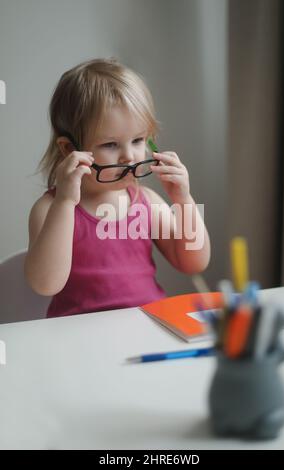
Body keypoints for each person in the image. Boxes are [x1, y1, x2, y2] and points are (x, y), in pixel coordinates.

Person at [24, 58, 210, 318]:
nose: (129, 157)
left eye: (137, 140)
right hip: (78, 336)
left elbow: (193, 263)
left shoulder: (147, 201)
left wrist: (183, 199)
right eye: (111, 145)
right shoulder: (50, 209)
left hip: (147, 326)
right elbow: (45, 284)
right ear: (70, 149)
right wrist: (65, 203)